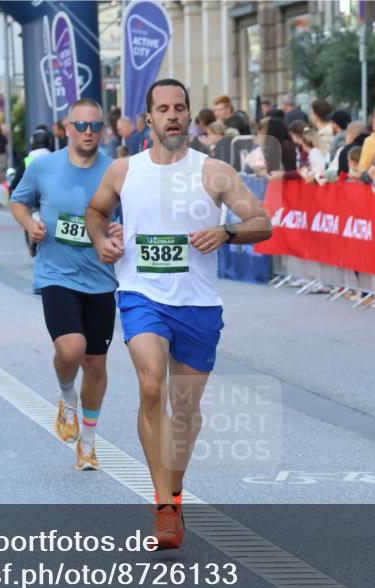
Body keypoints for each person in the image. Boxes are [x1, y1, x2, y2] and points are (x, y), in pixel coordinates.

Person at [85, 78, 271, 549]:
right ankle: (164, 505)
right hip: (141, 294)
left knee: (186, 410)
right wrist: (103, 241)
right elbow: (95, 212)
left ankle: (175, 490)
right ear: (148, 118)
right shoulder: (125, 171)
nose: (172, 115)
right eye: (163, 108)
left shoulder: (215, 172)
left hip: (198, 303)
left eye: (180, 108)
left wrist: (226, 234)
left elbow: (261, 222)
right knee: (152, 385)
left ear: (190, 116)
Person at [10, 99, 118, 471]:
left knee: (96, 363)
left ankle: (87, 442)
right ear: (66, 128)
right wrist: (30, 224)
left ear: (103, 129)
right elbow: (18, 202)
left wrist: (119, 230)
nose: (88, 133)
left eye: (95, 126)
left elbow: (130, 215)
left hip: (101, 278)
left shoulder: (117, 171)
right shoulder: (43, 167)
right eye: (81, 126)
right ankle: (66, 395)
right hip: (56, 274)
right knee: (72, 349)